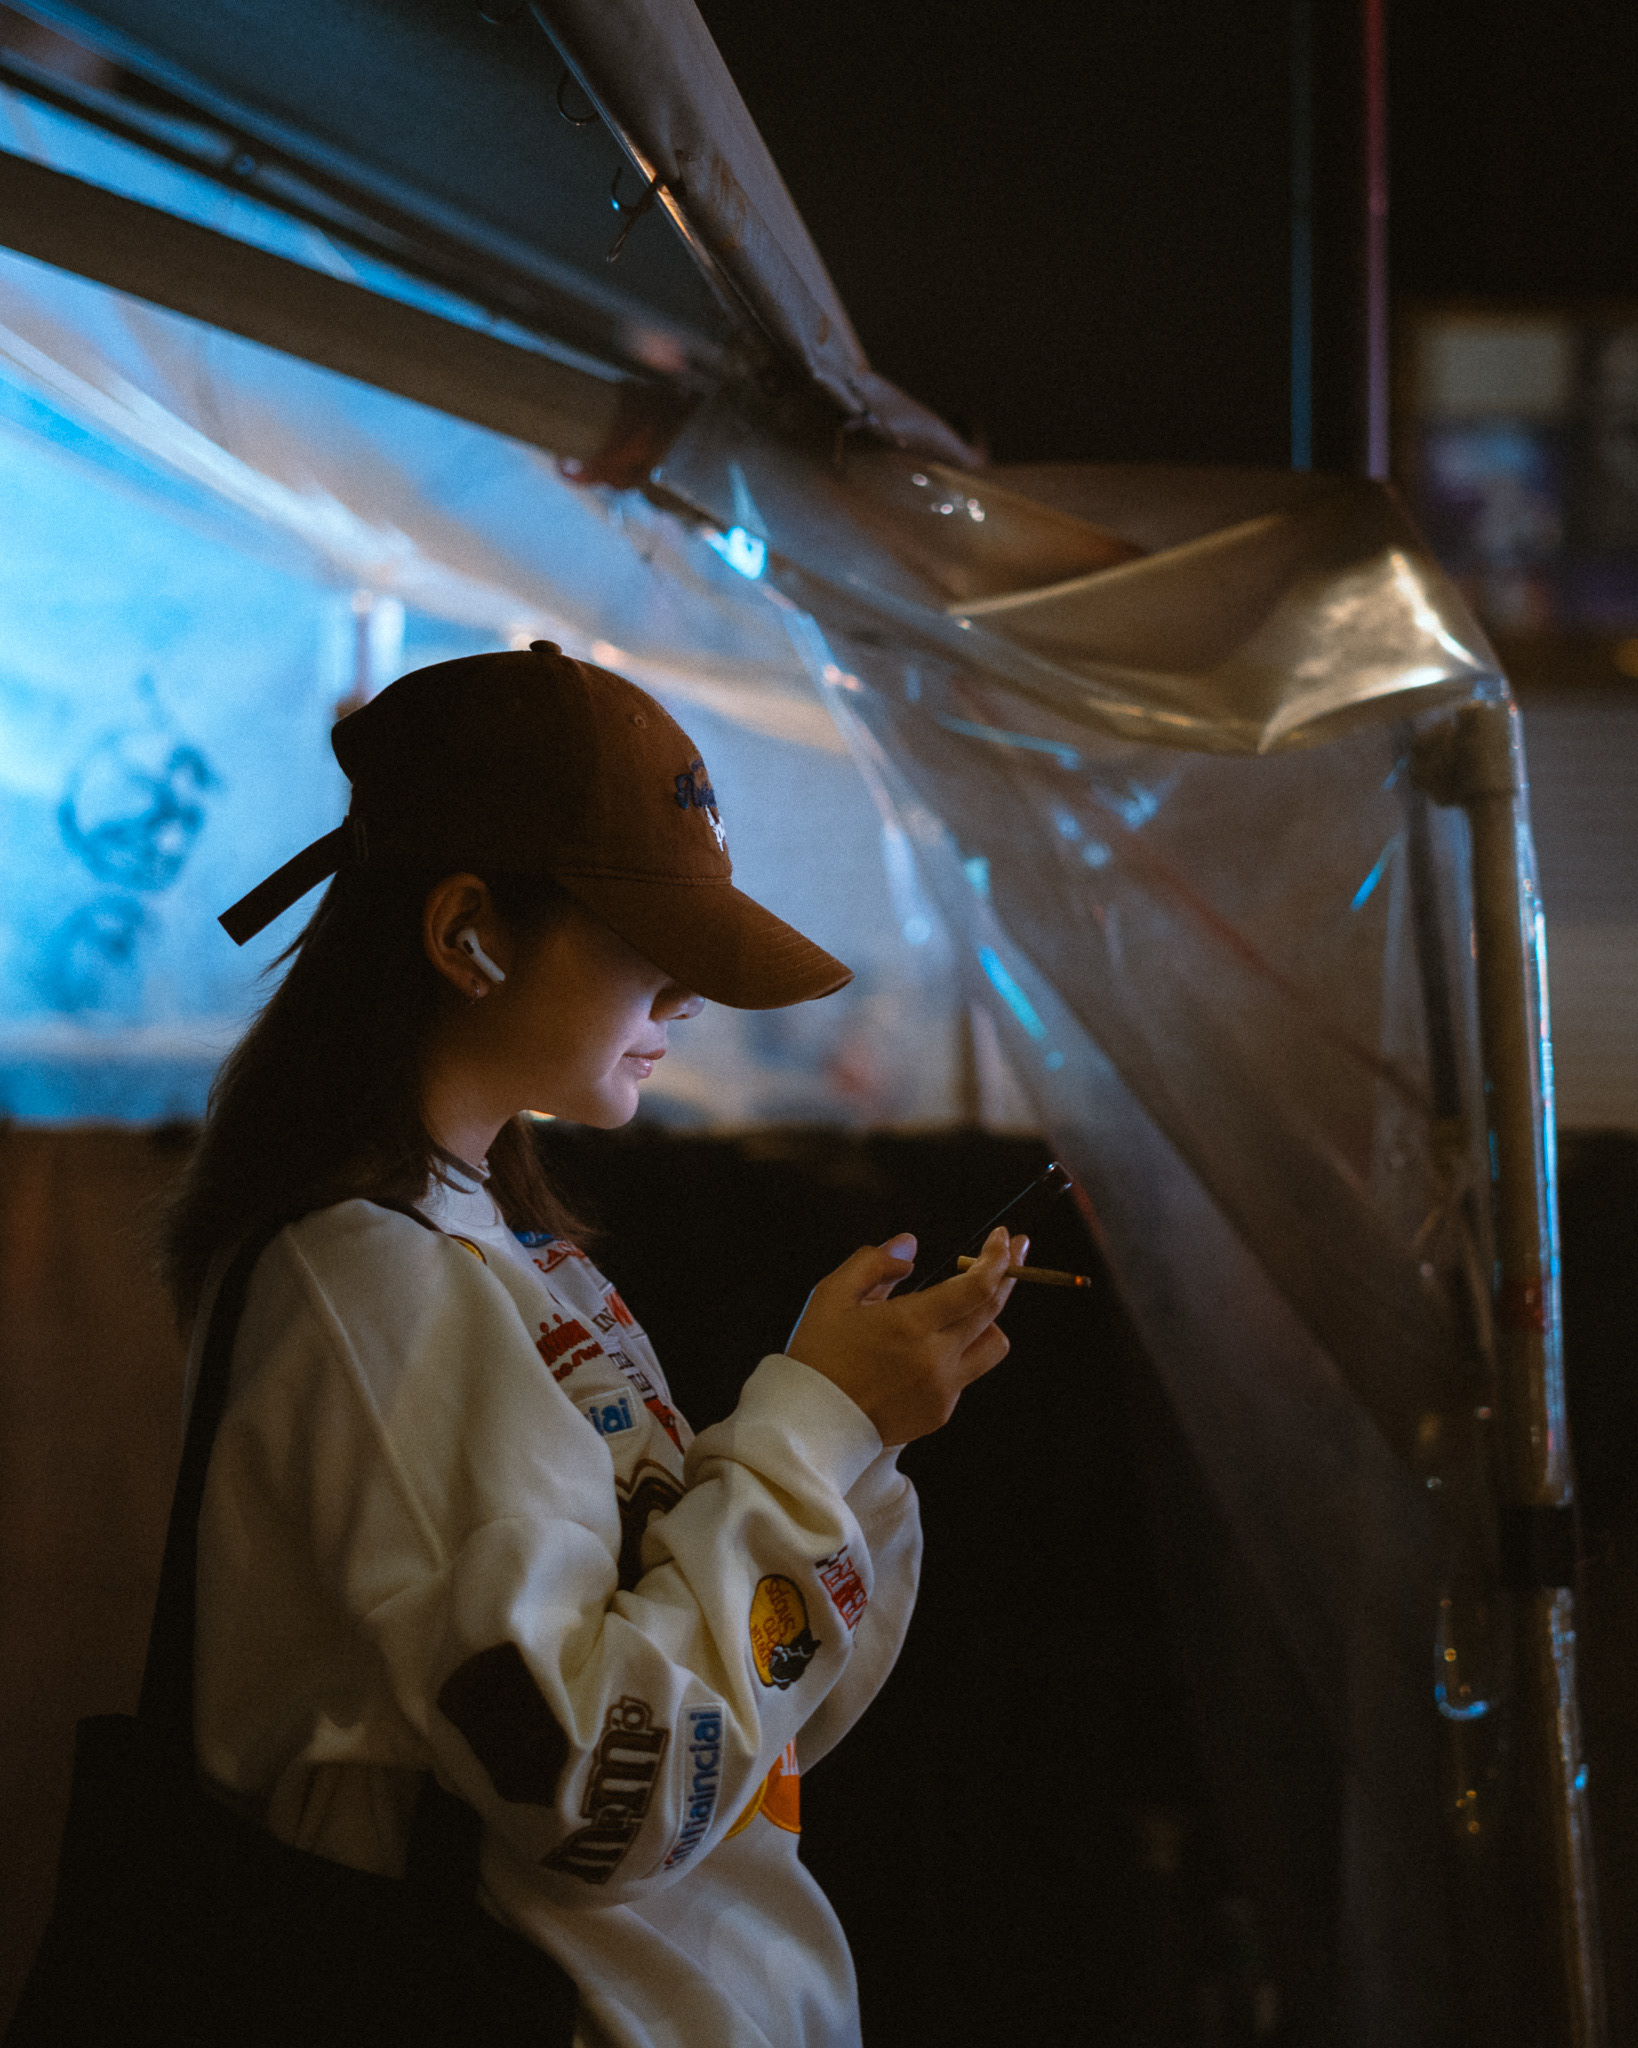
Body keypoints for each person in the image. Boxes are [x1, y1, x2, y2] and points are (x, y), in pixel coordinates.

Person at [165, 642, 1023, 2048]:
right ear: (469, 935)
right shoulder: (377, 1280)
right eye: (655, 943)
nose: (689, 999)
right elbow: (607, 1789)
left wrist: (858, 1437)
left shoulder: (502, 1253)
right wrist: (811, 1426)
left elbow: (749, 1739)